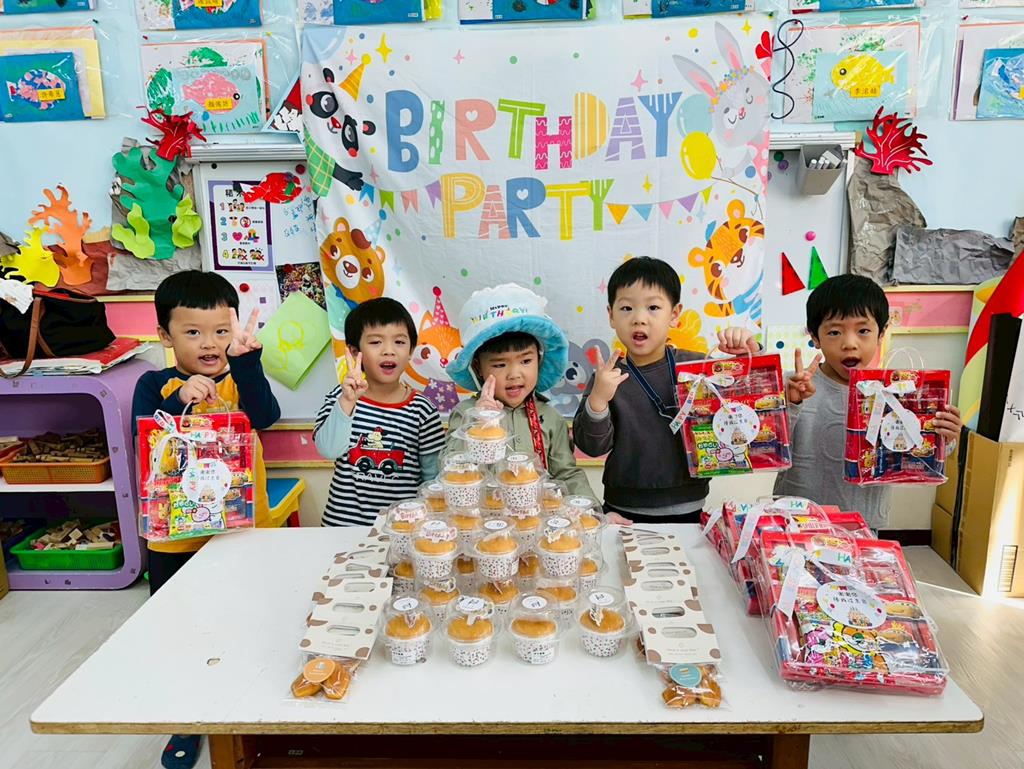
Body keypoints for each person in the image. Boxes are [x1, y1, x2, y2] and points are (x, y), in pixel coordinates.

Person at [131, 270, 280, 769]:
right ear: (165, 335)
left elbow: (266, 416)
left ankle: (246, 701)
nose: (210, 343)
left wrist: (248, 362)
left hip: (242, 532)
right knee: (180, 627)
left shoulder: (240, 377)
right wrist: (178, 401)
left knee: (246, 620)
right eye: (193, 332)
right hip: (175, 539)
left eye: (220, 330)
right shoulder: (154, 384)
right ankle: (188, 715)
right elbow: (144, 434)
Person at [573, 257, 757, 524]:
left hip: (690, 508)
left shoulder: (698, 367)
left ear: (674, 314)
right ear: (611, 315)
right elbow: (591, 447)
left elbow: (748, 409)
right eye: (626, 308)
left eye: (653, 307)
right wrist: (598, 399)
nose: (639, 319)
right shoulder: (606, 377)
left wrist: (748, 353)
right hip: (622, 511)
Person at [775, 274, 962, 531]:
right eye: (834, 332)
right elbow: (770, 445)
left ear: (881, 333)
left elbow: (914, 456)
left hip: (864, 524)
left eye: (863, 331)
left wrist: (943, 436)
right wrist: (791, 403)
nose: (849, 344)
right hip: (796, 520)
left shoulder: (898, 393)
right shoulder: (796, 385)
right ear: (815, 337)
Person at [446, 283, 594, 499]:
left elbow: (566, 474)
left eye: (525, 361)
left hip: (538, 517)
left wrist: (591, 509)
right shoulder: (466, 413)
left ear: (539, 361)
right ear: (478, 368)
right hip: (484, 515)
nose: (514, 374)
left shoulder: (551, 418)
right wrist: (478, 424)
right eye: (500, 364)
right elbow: (450, 468)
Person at [314, 298, 444, 526]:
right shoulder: (340, 397)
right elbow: (328, 450)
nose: (389, 351)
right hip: (341, 527)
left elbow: (432, 479)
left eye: (399, 342)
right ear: (354, 352)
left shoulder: (422, 410)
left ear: (411, 351)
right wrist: (347, 402)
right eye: (375, 342)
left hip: (402, 529)